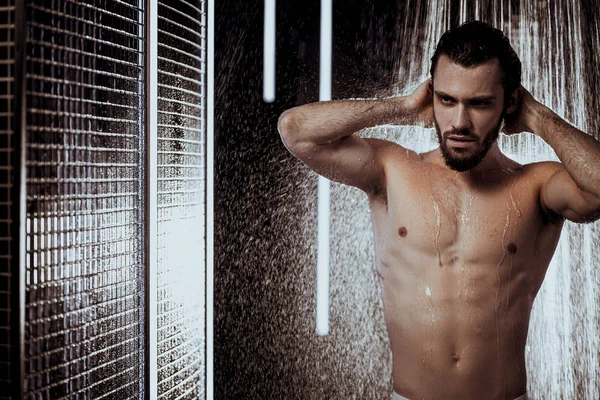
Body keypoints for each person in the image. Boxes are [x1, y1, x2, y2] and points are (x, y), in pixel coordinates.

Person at [277, 21, 600, 400]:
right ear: (431, 96)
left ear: (508, 103)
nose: (459, 122)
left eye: (478, 103)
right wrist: (400, 108)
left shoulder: (537, 186)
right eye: (447, 100)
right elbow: (295, 130)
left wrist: (537, 118)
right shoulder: (392, 170)